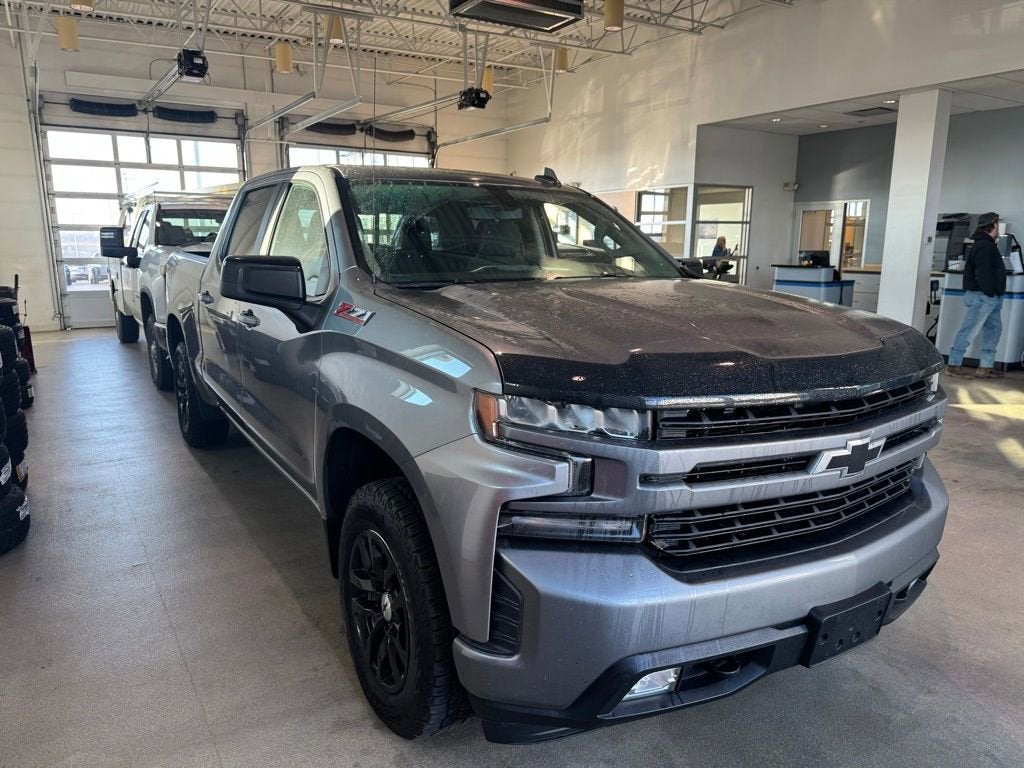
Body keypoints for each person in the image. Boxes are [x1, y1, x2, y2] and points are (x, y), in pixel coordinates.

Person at [947, 212, 1006, 379]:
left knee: (994, 330)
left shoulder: (985, 244)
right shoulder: (984, 246)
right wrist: (990, 292)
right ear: (994, 225)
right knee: (969, 330)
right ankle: (953, 364)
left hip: (990, 297)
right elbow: (983, 272)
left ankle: (986, 366)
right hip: (983, 296)